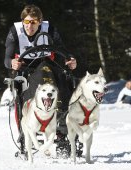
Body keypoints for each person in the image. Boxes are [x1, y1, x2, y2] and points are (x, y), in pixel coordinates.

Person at [4, 4, 77, 153]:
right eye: (27, 22)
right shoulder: (14, 32)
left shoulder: (49, 29)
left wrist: (70, 60)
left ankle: (63, 133)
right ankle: (25, 134)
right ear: (23, 21)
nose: (30, 26)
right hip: (25, 69)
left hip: (47, 65)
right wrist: (12, 63)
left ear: (40, 22)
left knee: (64, 87)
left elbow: (62, 49)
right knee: (20, 94)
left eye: (34, 22)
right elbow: (7, 57)